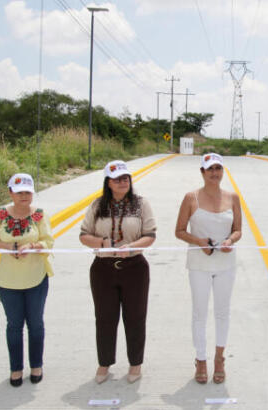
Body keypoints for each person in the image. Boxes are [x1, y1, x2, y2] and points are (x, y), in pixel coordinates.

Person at [79, 160, 156, 384]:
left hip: (134, 268)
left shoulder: (141, 204)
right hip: (103, 269)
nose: (122, 182)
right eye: (117, 179)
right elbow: (84, 235)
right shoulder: (97, 205)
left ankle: (135, 364)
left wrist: (132, 247)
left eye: (125, 178)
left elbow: (150, 235)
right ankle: (104, 363)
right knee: (104, 318)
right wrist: (102, 242)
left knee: (135, 317)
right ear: (108, 182)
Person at [175, 153, 242, 384]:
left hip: (226, 263)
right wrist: (199, 242)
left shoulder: (233, 197)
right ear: (202, 172)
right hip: (199, 264)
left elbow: (238, 230)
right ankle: (201, 359)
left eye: (218, 168)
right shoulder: (190, 197)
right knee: (199, 313)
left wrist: (229, 241)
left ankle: (219, 358)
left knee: (223, 312)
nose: (215, 173)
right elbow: (180, 230)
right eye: (210, 169)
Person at [0, 173, 54, 387]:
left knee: (35, 324)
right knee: (14, 325)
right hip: (8, 281)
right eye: (19, 192)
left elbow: (48, 241)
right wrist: (10, 247)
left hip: (36, 278)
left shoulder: (40, 215)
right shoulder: (0, 215)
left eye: (27, 192)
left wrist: (32, 247)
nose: (24, 196)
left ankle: (36, 366)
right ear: (10, 193)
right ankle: (16, 368)